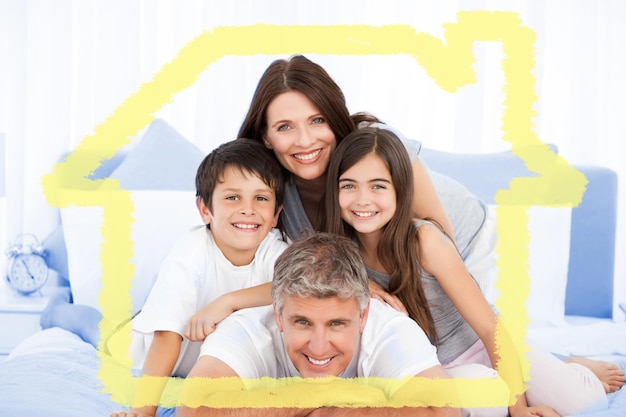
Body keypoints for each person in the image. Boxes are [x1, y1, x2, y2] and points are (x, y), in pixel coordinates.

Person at [323, 126, 624, 417]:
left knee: (586, 404)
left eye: (378, 186)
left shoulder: (425, 242)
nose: (362, 199)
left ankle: (572, 364)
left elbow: (489, 328)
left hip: (482, 345)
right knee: (488, 401)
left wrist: (519, 409)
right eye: (349, 185)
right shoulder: (340, 253)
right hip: (433, 371)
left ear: (400, 192)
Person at [42, 139, 289, 417]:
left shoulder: (275, 250)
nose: (248, 208)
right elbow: (167, 335)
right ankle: (58, 308)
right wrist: (144, 411)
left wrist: (228, 302)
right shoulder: (192, 249)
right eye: (233, 197)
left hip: (202, 362)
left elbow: (295, 288)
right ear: (205, 210)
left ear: (276, 214)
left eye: (261, 198)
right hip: (145, 346)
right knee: (98, 331)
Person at [237, 54, 493, 311]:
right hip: (385, 269)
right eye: (284, 127)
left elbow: (442, 246)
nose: (304, 141)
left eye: (317, 120)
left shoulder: (378, 145)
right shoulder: (269, 188)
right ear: (266, 136)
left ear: (335, 118)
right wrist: (357, 279)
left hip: (466, 238)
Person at [177, 232, 465, 417]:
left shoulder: (390, 330)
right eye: (302, 322)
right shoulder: (246, 329)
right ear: (278, 314)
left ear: (363, 316)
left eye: (336, 323)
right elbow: (193, 411)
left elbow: (441, 412)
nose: (318, 346)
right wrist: (320, 394)